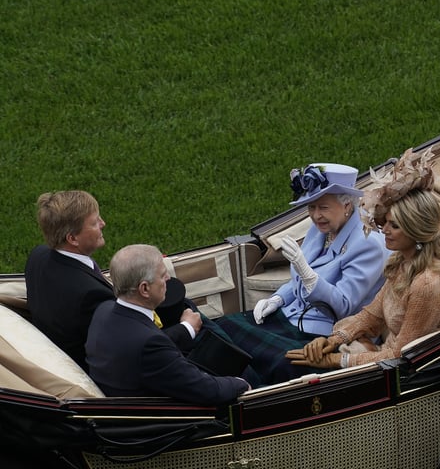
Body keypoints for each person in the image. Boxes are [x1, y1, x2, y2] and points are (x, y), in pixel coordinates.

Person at [216, 163, 388, 385]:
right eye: (311, 207)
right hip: (291, 317)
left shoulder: (368, 244)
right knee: (222, 329)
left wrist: (309, 276)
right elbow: (298, 278)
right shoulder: (321, 230)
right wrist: (278, 298)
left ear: (347, 205)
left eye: (323, 207)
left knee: (278, 364)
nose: (316, 216)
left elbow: (343, 306)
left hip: (326, 334)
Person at [287, 149, 440, 370]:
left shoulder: (427, 284)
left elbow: (402, 355)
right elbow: (372, 315)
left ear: (416, 231)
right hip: (376, 356)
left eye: (394, 225)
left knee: (289, 367)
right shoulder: (404, 263)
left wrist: (335, 360)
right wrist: (332, 341)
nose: (383, 229)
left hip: (397, 371)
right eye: (385, 221)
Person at [25, 190, 202, 370]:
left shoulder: (38, 257)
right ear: (73, 238)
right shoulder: (91, 296)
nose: (103, 223)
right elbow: (135, 348)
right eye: (94, 223)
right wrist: (186, 328)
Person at [85, 244, 249, 403]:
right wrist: (240, 384)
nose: (169, 279)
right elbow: (207, 390)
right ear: (144, 289)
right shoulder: (149, 345)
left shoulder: (104, 310)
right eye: (163, 275)